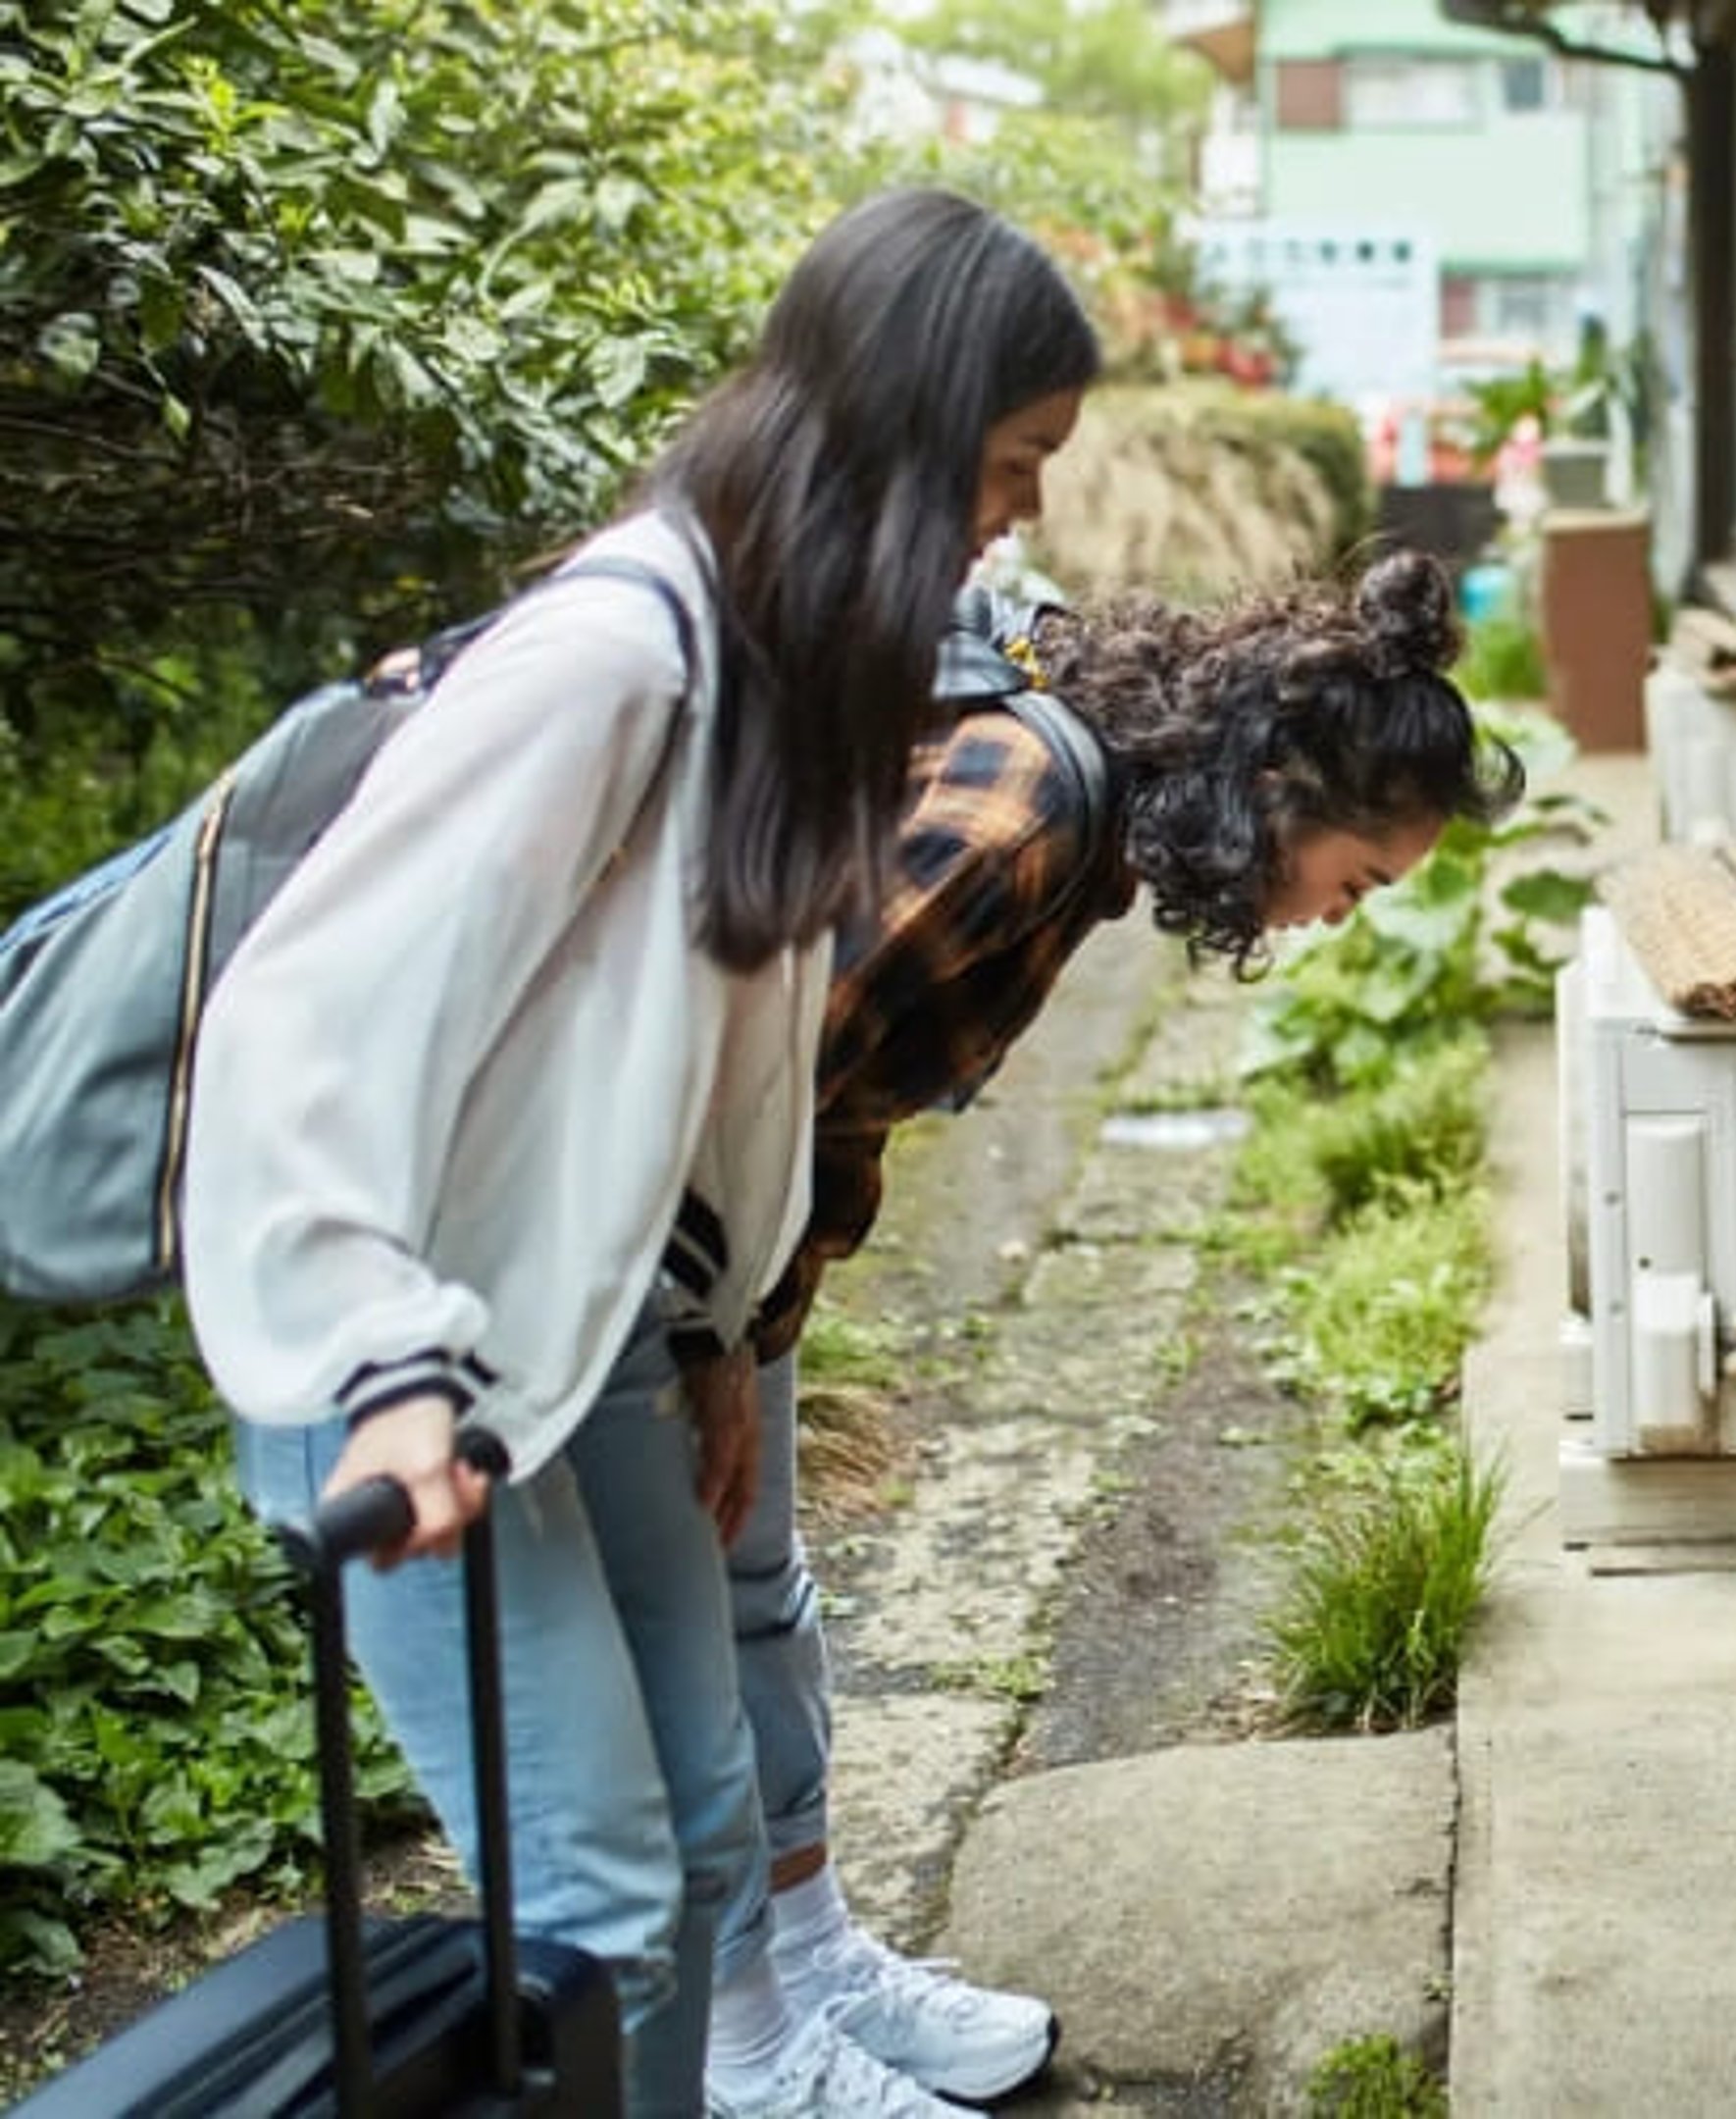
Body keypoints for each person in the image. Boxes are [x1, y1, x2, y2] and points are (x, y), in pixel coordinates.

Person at [181, 185, 1100, 2119]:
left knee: (698, 1842)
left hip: (595, 1328)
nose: (1018, 518)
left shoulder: (776, 672)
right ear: (908, 430)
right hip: (411, 1363)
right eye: (1009, 465)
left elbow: (719, 1066)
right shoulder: (614, 659)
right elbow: (303, 1024)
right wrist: (380, 1372)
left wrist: (725, 1333)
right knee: (602, 1887)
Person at [707, 549, 1525, 2104]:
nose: (1336, 922)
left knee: (762, 1613)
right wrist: (703, 1348)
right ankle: (741, 2049)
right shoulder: (1027, 805)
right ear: (1280, 789)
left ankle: (807, 1967)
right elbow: (736, 1074)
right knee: (696, 1650)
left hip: (740, 1276)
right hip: (660, 1276)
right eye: (1354, 883)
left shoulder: (1088, 816)